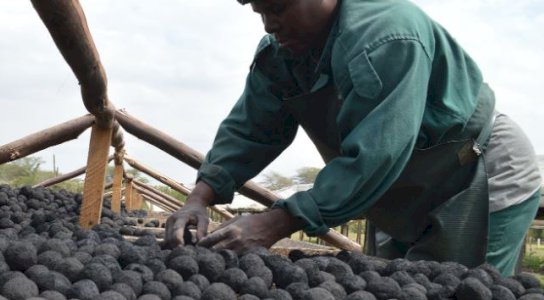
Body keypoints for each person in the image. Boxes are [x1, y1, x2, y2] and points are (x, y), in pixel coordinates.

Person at [165, 0, 541, 276]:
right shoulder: (280, 56)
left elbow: (376, 156)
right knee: (396, 283)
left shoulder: (387, 35)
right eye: (260, 11)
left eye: (278, 7)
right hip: (399, 191)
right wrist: (200, 197)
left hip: (478, 168)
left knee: (460, 286)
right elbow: (250, 130)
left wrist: (275, 223)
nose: (268, 24)